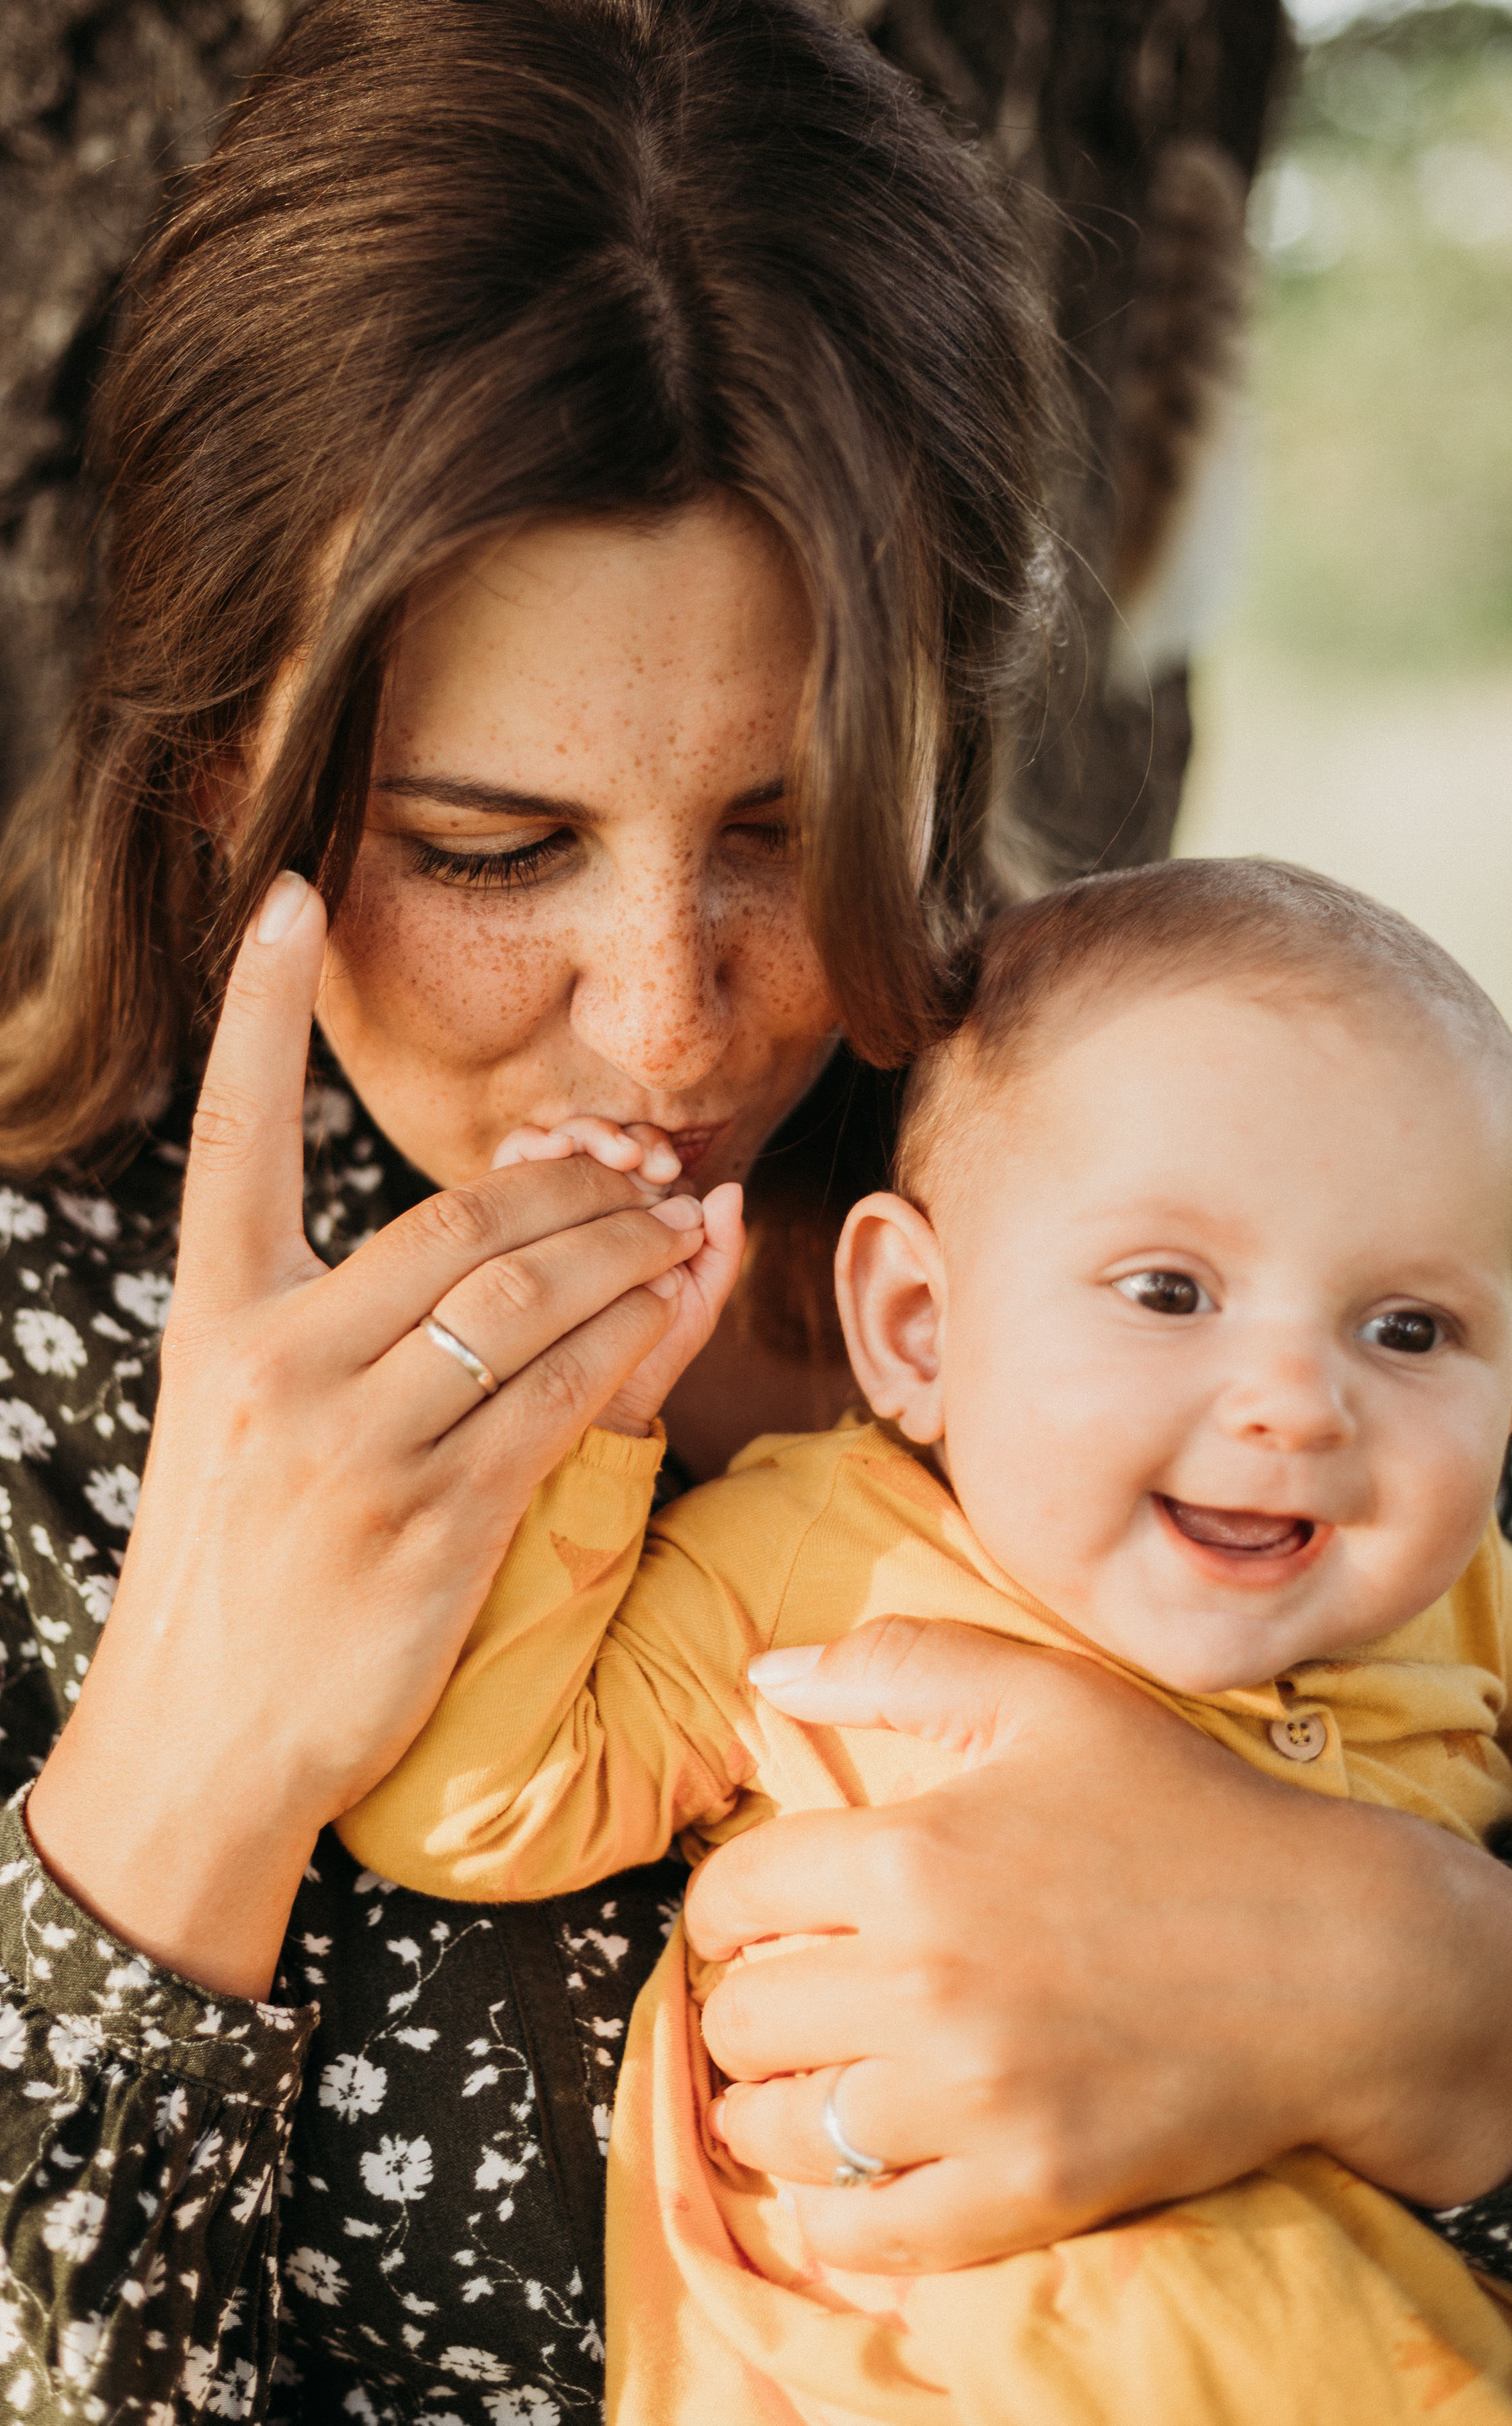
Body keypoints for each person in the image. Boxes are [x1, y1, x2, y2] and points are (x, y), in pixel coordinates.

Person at [0, 0, 1511, 2426]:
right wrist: (190, 1758)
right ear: (218, 787)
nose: (678, 1022)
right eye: (493, 851)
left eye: (790, 831)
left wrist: (1433, 2008)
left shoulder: (1222, 1198)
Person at [343, 858, 1512, 2425]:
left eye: (1406, 1329)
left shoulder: (1465, 1593)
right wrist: (592, 1413)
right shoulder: (820, 1562)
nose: (1300, 1403)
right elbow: (473, 1808)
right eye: (1168, 1293)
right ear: (912, 1325)